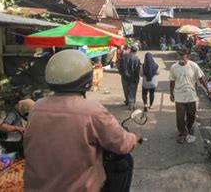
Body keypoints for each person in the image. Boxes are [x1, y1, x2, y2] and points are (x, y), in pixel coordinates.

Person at [24, 49, 142, 192]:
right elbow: (122, 144)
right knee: (122, 162)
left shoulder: (37, 107)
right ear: (86, 79)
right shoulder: (92, 111)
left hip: (36, 187)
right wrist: (135, 137)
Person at [169, 47, 210, 144]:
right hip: (179, 96)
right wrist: (171, 93)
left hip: (191, 95)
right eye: (179, 56)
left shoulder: (193, 66)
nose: (181, 58)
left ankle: (189, 127)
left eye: (183, 56)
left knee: (191, 115)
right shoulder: (174, 67)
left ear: (187, 56)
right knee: (180, 117)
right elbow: (172, 81)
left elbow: (201, 78)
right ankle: (182, 133)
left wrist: (208, 89)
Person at [118, 44, 142, 110]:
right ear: (136, 51)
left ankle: (127, 101)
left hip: (124, 77)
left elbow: (119, 66)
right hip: (133, 77)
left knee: (126, 90)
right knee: (133, 91)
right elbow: (137, 70)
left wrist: (121, 73)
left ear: (131, 49)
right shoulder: (136, 58)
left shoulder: (124, 56)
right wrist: (137, 78)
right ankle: (131, 104)